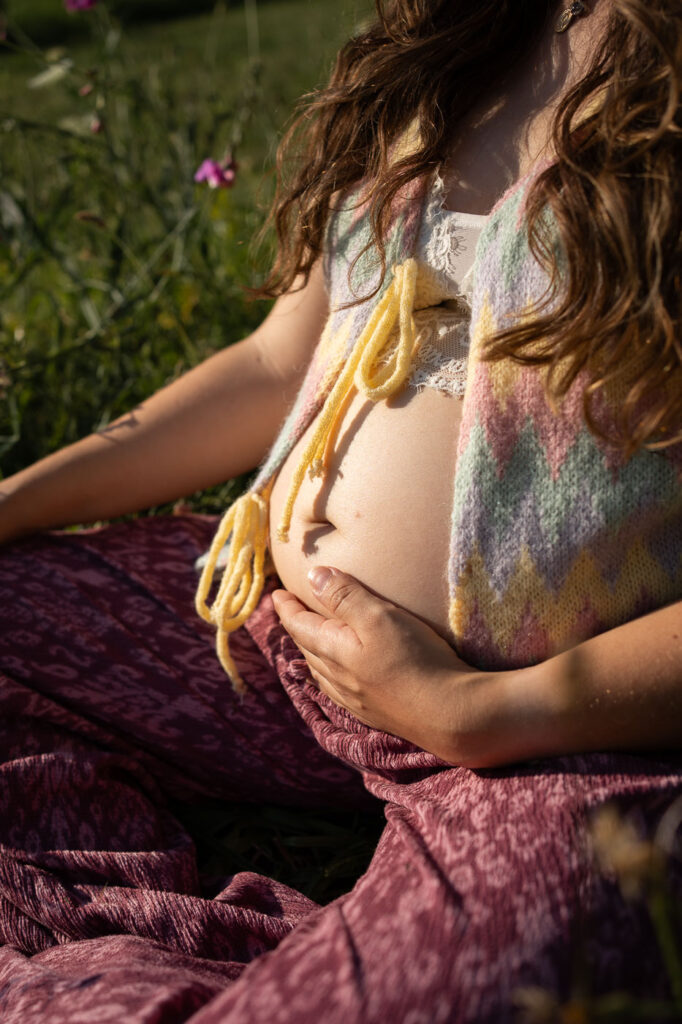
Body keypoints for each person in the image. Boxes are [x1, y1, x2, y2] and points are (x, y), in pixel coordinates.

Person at [0, 0, 680, 1020]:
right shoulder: (463, 34)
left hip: (551, 743)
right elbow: (279, 363)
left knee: (480, 966)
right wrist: (9, 503)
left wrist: (480, 712)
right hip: (281, 648)